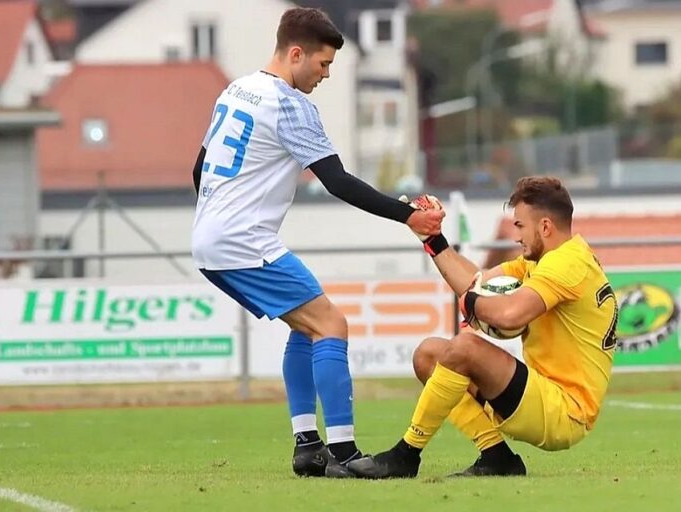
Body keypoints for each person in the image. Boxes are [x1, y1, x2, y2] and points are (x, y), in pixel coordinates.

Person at [190, 7, 444, 479]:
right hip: (242, 240)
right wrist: (407, 215)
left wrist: (215, 218)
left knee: (307, 328)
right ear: (295, 54)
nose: (326, 74)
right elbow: (337, 181)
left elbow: (198, 168)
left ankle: (308, 447)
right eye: (323, 63)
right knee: (331, 324)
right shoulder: (288, 104)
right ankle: (344, 452)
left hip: (211, 238)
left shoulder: (236, 89)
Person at [347, 176, 618, 479]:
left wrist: (471, 303)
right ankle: (497, 457)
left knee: (465, 347)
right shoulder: (545, 260)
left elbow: (510, 315)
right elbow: (476, 284)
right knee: (430, 355)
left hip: (565, 412)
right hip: (540, 397)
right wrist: (433, 240)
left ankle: (405, 456)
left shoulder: (566, 263)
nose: (516, 236)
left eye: (520, 226)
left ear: (545, 227)